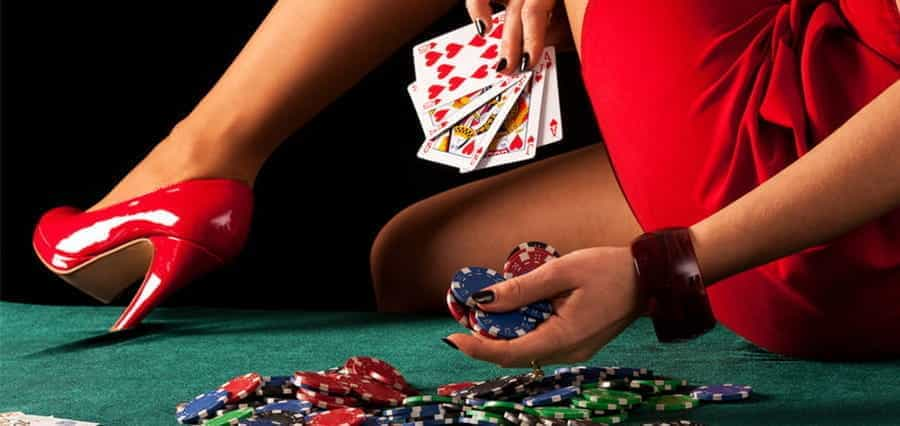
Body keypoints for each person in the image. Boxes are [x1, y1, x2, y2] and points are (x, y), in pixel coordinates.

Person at [32, 0, 900, 363]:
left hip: (820, 218)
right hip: (855, 208)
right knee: (414, 260)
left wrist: (665, 265)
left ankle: (191, 169)